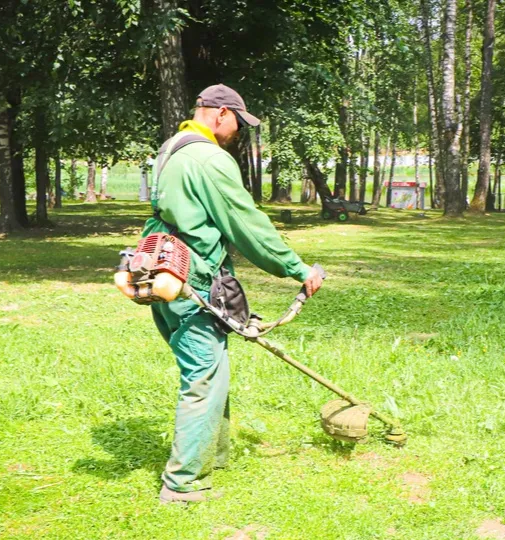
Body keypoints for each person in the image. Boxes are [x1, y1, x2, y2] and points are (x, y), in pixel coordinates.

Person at [140, 84, 323, 504]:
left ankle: (211, 456)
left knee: (213, 368)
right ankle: (182, 484)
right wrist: (297, 269)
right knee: (203, 376)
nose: (238, 131)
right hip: (193, 284)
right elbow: (247, 223)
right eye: (238, 123)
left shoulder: (173, 148)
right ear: (221, 113)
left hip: (165, 272)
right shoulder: (208, 158)